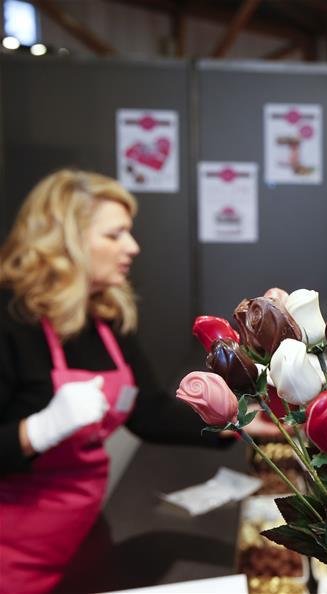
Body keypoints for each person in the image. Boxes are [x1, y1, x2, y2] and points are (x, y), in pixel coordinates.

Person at [0, 170, 244, 594]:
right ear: (66, 241)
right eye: (115, 235)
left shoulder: (106, 316)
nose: (132, 247)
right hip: (12, 553)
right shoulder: (10, 319)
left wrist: (235, 421)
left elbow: (146, 410)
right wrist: (37, 430)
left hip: (82, 535)